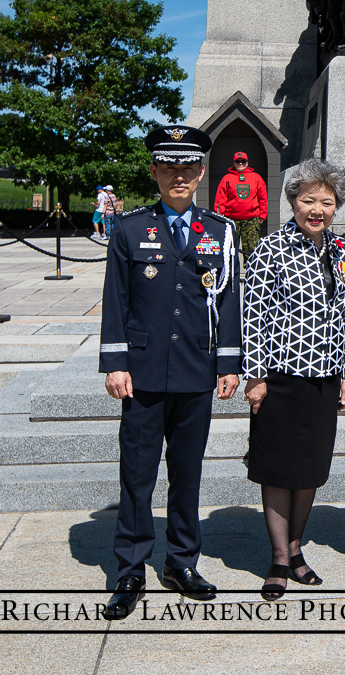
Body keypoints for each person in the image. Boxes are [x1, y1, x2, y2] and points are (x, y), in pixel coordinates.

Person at [97, 125, 242, 620]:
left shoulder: (221, 231)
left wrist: (228, 361)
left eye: (188, 168)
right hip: (141, 372)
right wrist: (115, 361)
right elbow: (116, 302)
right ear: (155, 171)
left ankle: (181, 562)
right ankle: (131, 569)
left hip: (197, 370)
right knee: (137, 475)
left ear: (202, 171)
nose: (179, 176)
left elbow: (227, 301)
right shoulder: (130, 228)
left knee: (188, 472)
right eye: (169, 167)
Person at [242, 159, 345, 600]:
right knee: (276, 468)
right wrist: (255, 375)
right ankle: (276, 557)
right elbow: (253, 315)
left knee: (309, 468)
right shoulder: (271, 249)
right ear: (293, 201)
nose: (317, 209)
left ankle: (295, 550)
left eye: (326, 202)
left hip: (324, 379)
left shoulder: (343, 253)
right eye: (308, 199)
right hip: (279, 377)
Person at [213, 152, 269, 258]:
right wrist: (219, 216)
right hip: (231, 220)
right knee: (229, 249)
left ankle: (251, 272)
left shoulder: (256, 177)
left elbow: (263, 198)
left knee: (251, 251)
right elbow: (220, 199)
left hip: (251, 220)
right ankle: (231, 273)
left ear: (247, 162)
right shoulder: (227, 178)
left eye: (243, 161)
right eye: (238, 161)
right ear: (234, 163)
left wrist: (262, 215)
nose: (240, 163)